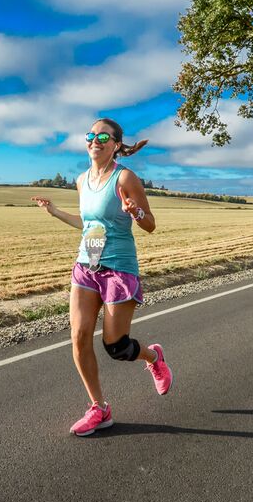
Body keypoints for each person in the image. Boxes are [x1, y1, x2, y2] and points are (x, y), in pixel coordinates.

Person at [31, 118, 173, 437]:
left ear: (116, 145)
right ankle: (99, 408)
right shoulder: (82, 180)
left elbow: (149, 223)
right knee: (79, 337)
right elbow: (87, 224)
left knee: (116, 346)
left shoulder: (125, 177)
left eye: (103, 136)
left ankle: (153, 356)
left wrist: (134, 211)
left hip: (119, 268)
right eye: (91, 135)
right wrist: (54, 212)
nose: (95, 140)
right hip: (87, 263)